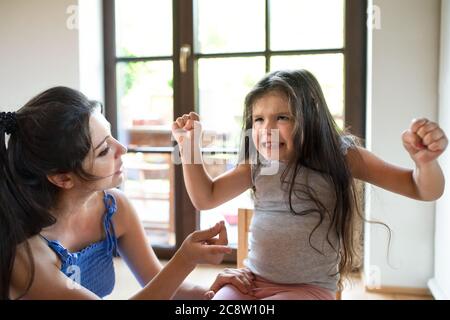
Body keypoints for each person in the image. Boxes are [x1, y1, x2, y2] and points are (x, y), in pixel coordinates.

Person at [172, 69, 448, 300]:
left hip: (307, 290)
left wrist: (425, 163)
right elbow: (205, 198)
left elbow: (421, 189)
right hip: (250, 280)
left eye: (282, 117)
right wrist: (188, 147)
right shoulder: (257, 163)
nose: (267, 128)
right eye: (259, 119)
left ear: (311, 117)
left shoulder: (342, 156)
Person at [0, 86, 235, 300]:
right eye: (103, 150)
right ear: (63, 178)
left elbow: (162, 286)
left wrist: (216, 292)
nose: (121, 148)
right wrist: (185, 260)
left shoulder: (113, 208)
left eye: (111, 134)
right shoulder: (25, 254)